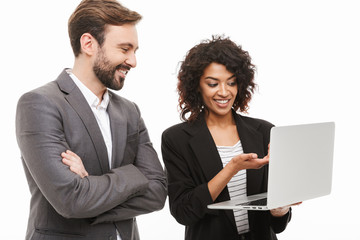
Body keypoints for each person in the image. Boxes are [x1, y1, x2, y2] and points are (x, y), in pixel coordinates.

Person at [15, 0, 167, 239]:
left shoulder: (130, 111)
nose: (133, 61)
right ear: (88, 44)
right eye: (124, 49)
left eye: (135, 51)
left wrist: (91, 187)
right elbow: (71, 200)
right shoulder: (39, 104)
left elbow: (158, 192)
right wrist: (134, 175)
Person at [161, 36, 296, 240]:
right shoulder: (176, 139)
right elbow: (184, 211)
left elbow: (277, 224)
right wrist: (232, 168)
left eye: (231, 82)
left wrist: (281, 209)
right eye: (213, 84)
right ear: (197, 86)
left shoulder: (265, 131)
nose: (224, 92)